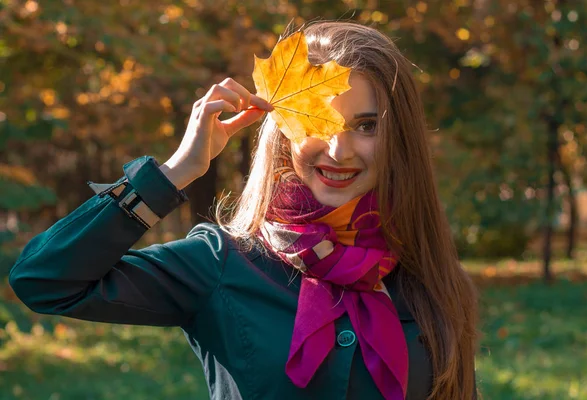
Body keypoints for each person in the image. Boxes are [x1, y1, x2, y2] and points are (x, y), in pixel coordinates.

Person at [9, 21, 478, 399]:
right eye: (324, 121)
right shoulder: (221, 263)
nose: (338, 149)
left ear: (400, 138)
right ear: (283, 128)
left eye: (367, 125)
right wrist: (173, 172)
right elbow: (43, 279)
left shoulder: (432, 276)